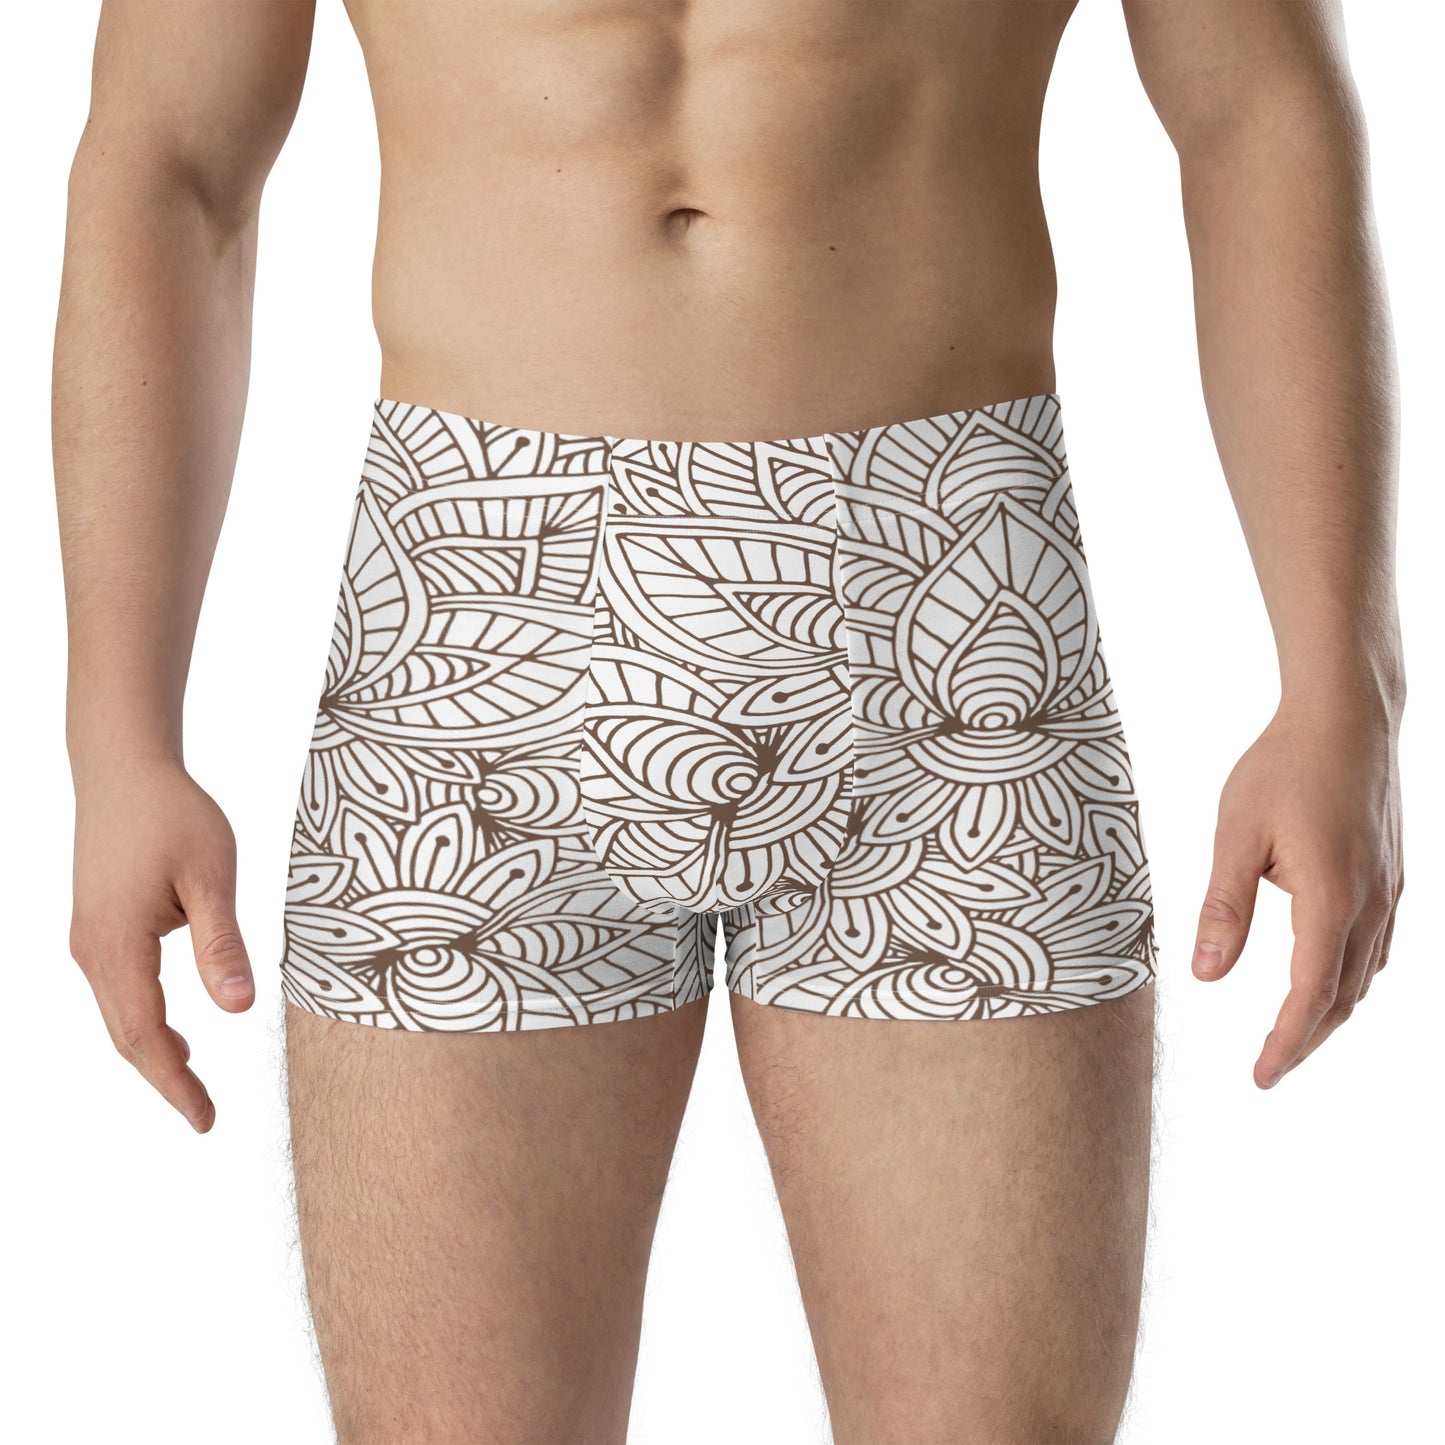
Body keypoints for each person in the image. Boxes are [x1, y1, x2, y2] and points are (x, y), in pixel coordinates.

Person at [52, 1, 1405, 1441]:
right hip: (471, 645)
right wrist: (118, 739)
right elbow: (171, 164)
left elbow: (1257, 118)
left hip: (951, 651)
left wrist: (1344, 684)